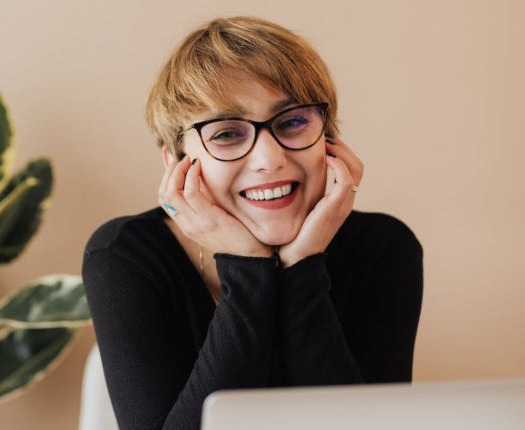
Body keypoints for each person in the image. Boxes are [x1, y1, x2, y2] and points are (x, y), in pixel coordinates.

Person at [82, 16, 423, 430]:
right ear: (176, 164)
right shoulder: (125, 257)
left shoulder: (384, 249)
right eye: (226, 133)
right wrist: (246, 266)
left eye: (293, 121)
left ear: (329, 139)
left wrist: (301, 266)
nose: (269, 159)